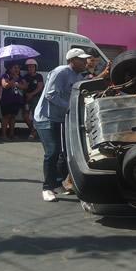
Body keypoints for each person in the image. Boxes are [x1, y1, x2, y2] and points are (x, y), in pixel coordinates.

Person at [34, 48, 92, 202]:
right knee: (52, 152)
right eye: (82, 59)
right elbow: (50, 94)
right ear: (72, 60)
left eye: (85, 59)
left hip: (61, 118)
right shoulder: (61, 72)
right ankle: (47, 188)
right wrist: (70, 107)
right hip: (45, 117)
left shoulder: (78, 75)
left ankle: (58, 183)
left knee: (65, 152)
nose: (85, 62)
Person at [0, 62, 28, 140]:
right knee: (6, 117)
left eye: (18, 68)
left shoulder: (20, 77)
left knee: (13, 117)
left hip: (16, 100)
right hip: (6, 100)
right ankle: (3, 135)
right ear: (10, 69)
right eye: (15, 67)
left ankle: (12, 134)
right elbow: (5, 85)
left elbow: (25, 86)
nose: (17, 69)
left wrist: (18, 85)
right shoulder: (5, 76)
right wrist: (14, 80)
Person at [22, 59, 44, 140]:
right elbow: (24, 86)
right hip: (27, 98)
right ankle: (33, 130)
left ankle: (33, 133)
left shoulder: (39, 76)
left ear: (35, 67)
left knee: (36, 116)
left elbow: (40, 87)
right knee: (25, 116)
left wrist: (32, 94)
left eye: (32, 67)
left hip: (36, 98)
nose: (30, 68)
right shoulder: (25, 77)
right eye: (29, 67)